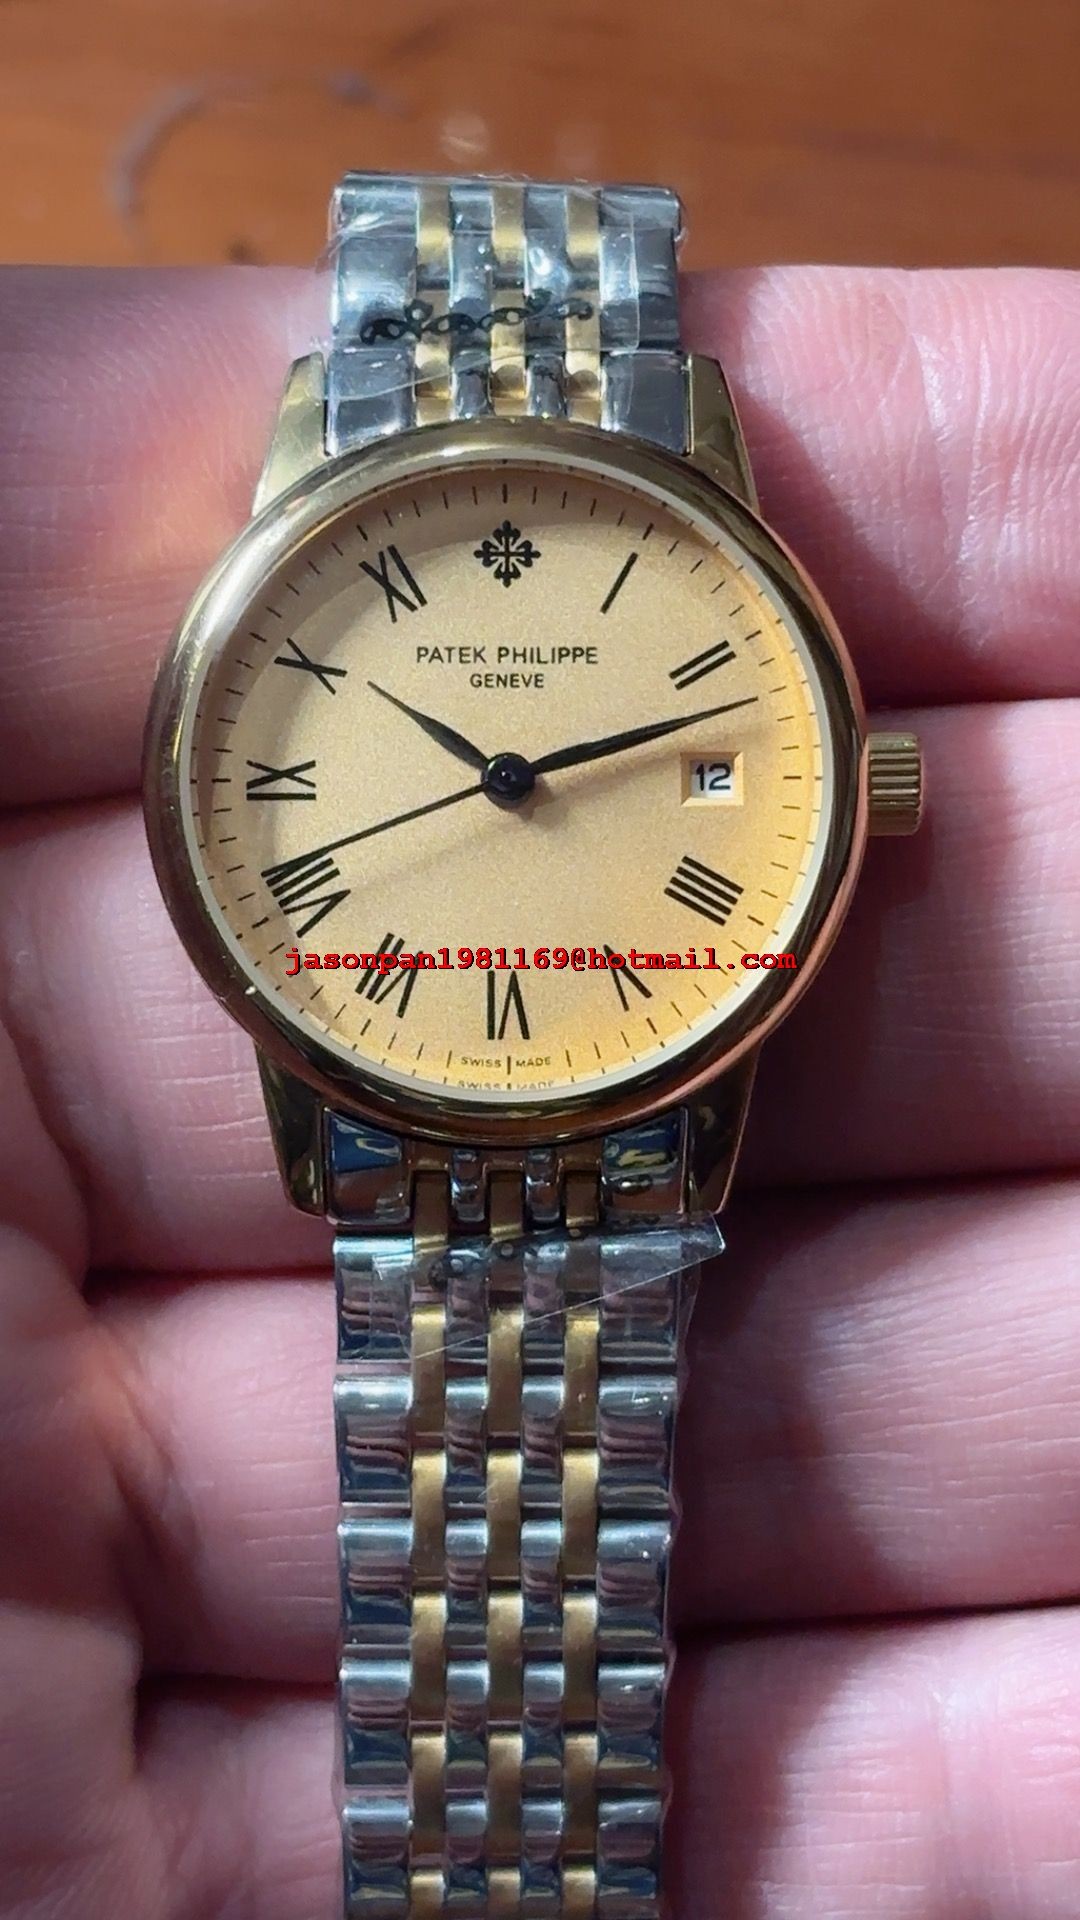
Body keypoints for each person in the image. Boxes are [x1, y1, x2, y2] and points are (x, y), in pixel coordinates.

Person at [0, 262, 1077, 1917]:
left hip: (593, 1077)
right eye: (500, 770)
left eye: (518, 770)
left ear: (868, 788)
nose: (510, 779)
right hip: (391, 1063)